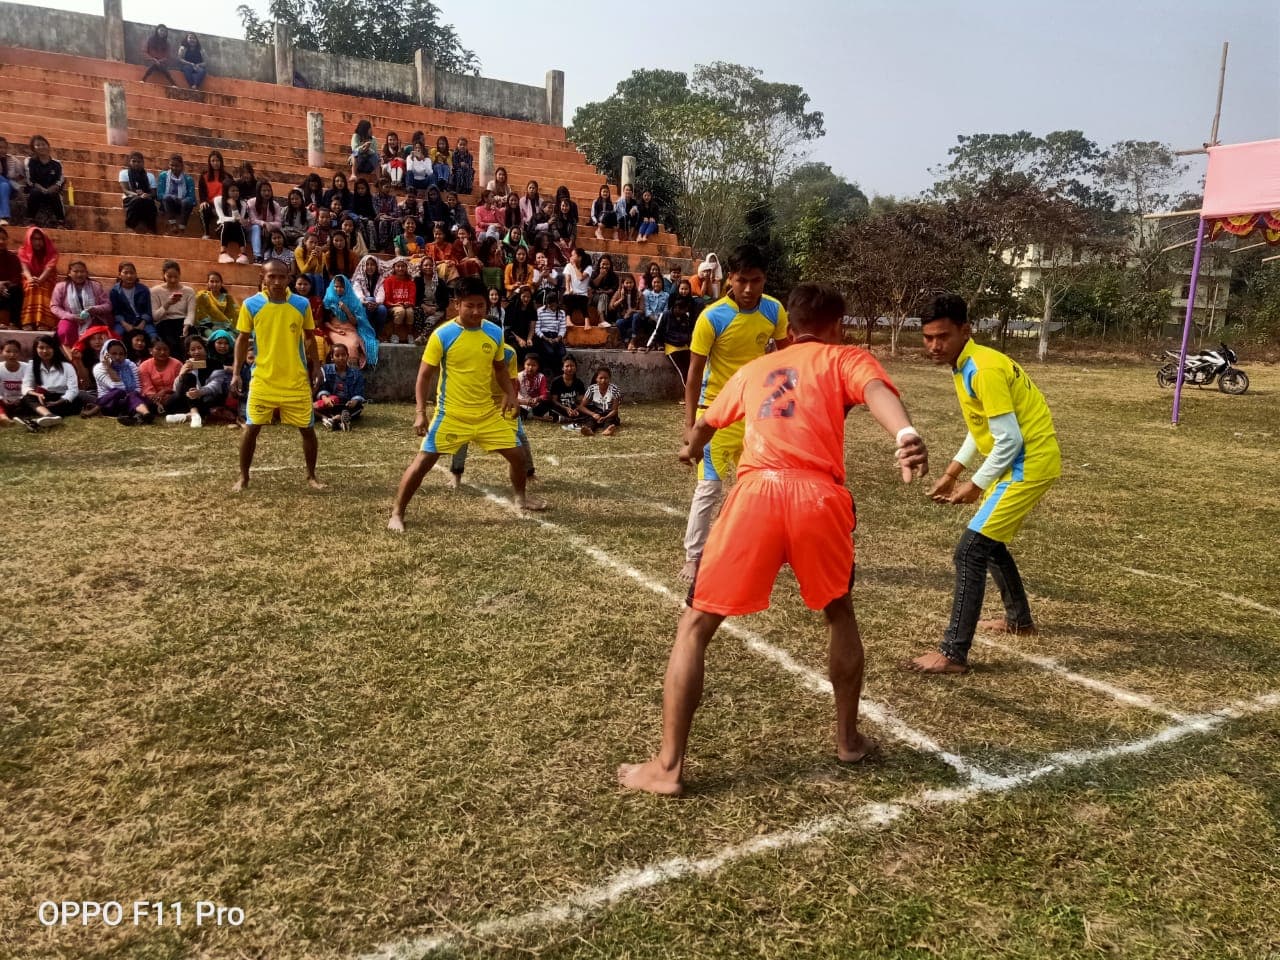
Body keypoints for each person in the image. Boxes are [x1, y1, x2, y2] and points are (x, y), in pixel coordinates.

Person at [618, 282, 929, 796]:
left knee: (695, 626)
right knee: (839, 613)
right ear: (837, 326)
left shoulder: (753, 370)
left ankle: (668, 767)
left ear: (788, 328)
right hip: (818, 498)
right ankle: (848, 740)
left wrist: (690, 449)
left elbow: (704, 425)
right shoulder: (844, 357)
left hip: (756, 495)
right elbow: (878, 393)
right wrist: (904, 435)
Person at [905, 294, 1062, 675]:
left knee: (970, 552)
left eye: (941, 336)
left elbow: (1009, 439)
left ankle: (953, 653)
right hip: (1015, 464)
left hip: (1026, 466)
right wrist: (952, 472)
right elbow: (984, 428)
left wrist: (976, 484)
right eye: (927, 338)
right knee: (989, 547)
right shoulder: (967, 364)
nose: (934, 346)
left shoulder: (983, 369)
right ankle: (1019, 621)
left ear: (965, 330)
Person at [387, 275, 546, 531]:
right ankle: (397, 512)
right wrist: (420, 412)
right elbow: (424, 375)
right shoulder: (443, 334)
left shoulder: (494, 333)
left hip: (486, 414)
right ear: (456, 304)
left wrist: (511, 396)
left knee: (518, 457)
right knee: (422, 463)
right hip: (451, 414)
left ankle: (521, 498)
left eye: (480, 306)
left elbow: (500, 370)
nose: (475, 311)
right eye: (469, 305)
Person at [679, 244, 788, 583]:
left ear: (764, 279)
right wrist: (689, 425)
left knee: (760, 487)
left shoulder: (774, 311)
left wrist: (784, 410)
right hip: (715, 416)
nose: (748, 289)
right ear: (731, 279)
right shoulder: (712, 317)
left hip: (757, 416)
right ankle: (694, 558)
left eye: (756, 281)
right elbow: (694, 373)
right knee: (709, 488)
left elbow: (785, 363)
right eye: (742, 280)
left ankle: (759, 550)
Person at [231, 258, 323, 491]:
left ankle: (311, 476)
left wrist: (316, 366)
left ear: (288, 278)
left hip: (296, 380)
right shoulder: (251, 305)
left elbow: (310, 337)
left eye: (282, 276)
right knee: (252, 428)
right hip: (263, 379)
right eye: (272, 276)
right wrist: (236, 373)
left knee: (308, 429)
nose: (277, 281)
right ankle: (243, 477)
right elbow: (242, 340)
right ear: (262, 277)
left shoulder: (301, 304)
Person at [447, 339, 537, 486]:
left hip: (503, 399)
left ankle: (529, 473)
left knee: (519, 437)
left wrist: (502, 409)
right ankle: (456, 474)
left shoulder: (509, 352)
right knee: (462, 437)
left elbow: (511, 383)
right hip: (476, 401)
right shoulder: (471, 349)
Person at [20, 334, 80, 426]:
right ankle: (49, 415)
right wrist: (38, 394)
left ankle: (43, 416)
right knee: (27, 398)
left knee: (76, 401)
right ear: (36, 349)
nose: (45, 351)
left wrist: (58, 402)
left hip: (62, 399)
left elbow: (73, 390)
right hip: (43, 398)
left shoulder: (67, 366)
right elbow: (26, 386)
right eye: (41, 348)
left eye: (48, 347)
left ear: (54, 349)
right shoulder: (32, 365)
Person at [322, 274, 378, 368]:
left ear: (346, 287)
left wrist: (346, 310)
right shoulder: (328, 300)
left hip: (349, 328)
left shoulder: (353, 301)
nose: (338, 289)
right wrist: (336, 330)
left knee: (352, 345)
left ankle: (352, 374)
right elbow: (325, 321)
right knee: (339, 345)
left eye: (341, 287)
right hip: (333, 329)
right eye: (336, 286)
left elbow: (355, 322)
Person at [649, 279, 699, 383]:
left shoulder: (686, 316)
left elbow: (690, 331)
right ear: (674, 306)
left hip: (685, 346)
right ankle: (688, 397)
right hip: (672, 347)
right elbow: (657, 331)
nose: (682, 312)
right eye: (679, 308)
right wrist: (649, 345)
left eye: (684, 309)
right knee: (684, 371)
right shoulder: (666, 315)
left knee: (693, 370)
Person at [93, 338, 153, 424]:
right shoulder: (99, 368)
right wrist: (109, 368)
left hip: (129, 400)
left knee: (135, 395)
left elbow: (138, 387)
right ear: (106, 354)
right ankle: (136, 415)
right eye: (114, 354)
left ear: (125, 355)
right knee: (119, 392)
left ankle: (146, 415)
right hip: (109, 403)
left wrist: (132, 395)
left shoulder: (130, 365)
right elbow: (119, 389)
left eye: (121, 354)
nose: (118, 357)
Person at [51, 261, 111, 347]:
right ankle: (72, 355)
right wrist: (71, 317)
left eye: (82, 271)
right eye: (76, 271)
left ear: (86, 273)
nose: (79, 274)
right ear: (69, 273)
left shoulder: (95, 286)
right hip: (70, 319)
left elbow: (108, 305)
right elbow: (55, 307)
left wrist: (95, 309)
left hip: (93, 318)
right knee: (64, 331)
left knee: (95, 335)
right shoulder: (61, 287)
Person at [313, 342, 365, 431]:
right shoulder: (326, 369)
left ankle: (336, 419)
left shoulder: (356, 374)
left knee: (358, 408)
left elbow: (359, 392)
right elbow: (322, 387)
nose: (341, 358)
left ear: (347, 356)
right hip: (331, 404)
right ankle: (332, 419)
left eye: (343, 355)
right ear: (332, 358)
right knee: (311, 408)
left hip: (347, 405)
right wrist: (325, 398)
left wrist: (354, 401)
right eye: (337, 355)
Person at [150, 260, 196, 355]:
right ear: (163, 275)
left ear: (180, 275)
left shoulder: (189, 291)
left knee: (190, 341)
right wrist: (167, 304)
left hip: (183, 322)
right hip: (165, 323)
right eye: (169, 276)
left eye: (176, 276)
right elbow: (155, 317)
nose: (173, 280)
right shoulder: (155, 291)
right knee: (172, 344)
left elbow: (191, 313)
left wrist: (187, 325)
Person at [18, 226, 58, 331]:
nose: (37, 242)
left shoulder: (52, 252)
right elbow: (24, 268)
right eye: (34, 239)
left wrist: (40, 280)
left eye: (40, 239)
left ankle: (44, 322)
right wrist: (31, 279)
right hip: (29, 278)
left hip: (47, 278)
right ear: (29, 240)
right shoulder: (22, 251)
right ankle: (28, 321)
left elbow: (48, 270)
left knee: (43, 287)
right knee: (30, 287)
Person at [24, 136, 65, 227]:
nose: (41, 147)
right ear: (33, 148)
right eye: (38, 145)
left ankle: (61, 222)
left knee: (55, 194)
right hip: (36, 190)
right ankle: (30, 220)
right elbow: (30, 180)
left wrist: (53, 187)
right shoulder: (29, 161)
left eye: (43, 144)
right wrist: (41, 189)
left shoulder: (56, 163)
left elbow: (61, 179)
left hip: (51, 190)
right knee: (35, 193)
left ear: (48, 146)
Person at [137, 336, 181, 411]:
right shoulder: (144, 366)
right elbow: (147, 388)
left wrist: (165, 391)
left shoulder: (177, 364)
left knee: (177, 398)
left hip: (173, 396)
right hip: (153, 398)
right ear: (150, 351)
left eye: (165, 349)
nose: (162, 352)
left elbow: (180, 385)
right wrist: (156, 399)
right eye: (158, 349)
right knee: (143, 400)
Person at [118, 152, 158, 233]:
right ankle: (129, 226)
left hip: (146, 199)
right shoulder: (124, 173)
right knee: (138, 200)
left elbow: (154, 193)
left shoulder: (150, 176)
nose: (136, 163)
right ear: (130, 162)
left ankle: (151, 229)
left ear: (143, 163)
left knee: (151, 205)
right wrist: (138, 195)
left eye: (139, 162)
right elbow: (125, 191)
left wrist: (147, 195)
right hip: (130, 199)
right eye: (134, 161)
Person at [196, 151, 232, 240]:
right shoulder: (204, 176)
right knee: (203, 208)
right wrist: (203, 201)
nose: (215, 163)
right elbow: (202, 192)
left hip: (223, 204)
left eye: (217, 160)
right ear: (209, 162)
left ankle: (222, 231)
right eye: (213, 161)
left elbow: (231, 192)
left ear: (221, 162)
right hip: (210, 204)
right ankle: (206, 233)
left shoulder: (228, 176)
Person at [577, 365, 621, 436]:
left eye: (606, 378)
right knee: (591, 420)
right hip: (596, 414)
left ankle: (607, 430)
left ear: (609, 379)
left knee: (610, 420)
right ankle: (589, 430)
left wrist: (605, 417)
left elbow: (614, 410)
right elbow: (581, 407)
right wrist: (593, 414)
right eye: (601, 378)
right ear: (596, 379)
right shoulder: (592, 389)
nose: (603, 380)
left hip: (609, 414)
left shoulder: (615, 390)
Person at [157, 154, 195, 234]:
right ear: (169, 165)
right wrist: (171, 196)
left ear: (182, 166)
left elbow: (192, 199)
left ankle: (182, 227)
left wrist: (183, 200)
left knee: (187, 202)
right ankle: (172, 224)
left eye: (177, 166)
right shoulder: (163, 176)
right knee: (167, 198)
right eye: (172, 165)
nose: (174, 168)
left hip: (182, 206)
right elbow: (159, 194)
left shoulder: (188, 179)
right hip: (167, 205)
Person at [382, 256, 417, 344]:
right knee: (400, 311)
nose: (400, 268)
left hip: (407, 306)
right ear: (394, 268)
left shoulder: (410, 282)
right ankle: (394, 334)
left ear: (406, 268)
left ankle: (410, 334)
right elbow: (386, 299)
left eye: (403, 266)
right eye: (398, 266)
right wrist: (395, 304)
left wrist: (408, 303)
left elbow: (412, 298)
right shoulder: (388, 281)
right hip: (392, 306)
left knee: (410, 312)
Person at [532, 290, 567, 373]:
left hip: (555, 336)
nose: (552, 306)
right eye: (550, 304)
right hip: (544, 336)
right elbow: (537, 329)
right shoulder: (540, 311)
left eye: (554, 304)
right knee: (549, 352)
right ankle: (547, 370)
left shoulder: (561, 313)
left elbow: (562, 328)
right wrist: (546, 339)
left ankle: (557, 371)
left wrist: (558, 338)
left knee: (562, 352)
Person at [213, 182, 249, 264]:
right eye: (232, 191)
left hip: (237, 231)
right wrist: (233, 207)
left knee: (237, 225)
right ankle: (223, 253)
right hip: (223, 230)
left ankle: (243, 254)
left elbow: (241, 222)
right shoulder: (218, 200)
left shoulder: (243, 204)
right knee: (227, 223)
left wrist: (234, 207)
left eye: (237, 191)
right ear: (226, 192)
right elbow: (222, 218)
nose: (236, 193)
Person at [246, 183, 283, 262]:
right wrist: (264, 224)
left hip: (268, 232)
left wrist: (268, 225)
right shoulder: (251, 202)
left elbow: (279, 223)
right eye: (264, 190)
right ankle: (257, 256)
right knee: (256, 227)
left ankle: (267, 256)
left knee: (275, 232)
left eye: (269, 190)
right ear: (259, 191)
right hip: (251, 232)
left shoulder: (275, 205)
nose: (267, 193)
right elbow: (252, 220)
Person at [194, 271, 238, 335]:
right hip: (207, 326)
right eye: (212, 281)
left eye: (217, 282)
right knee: (214, 336)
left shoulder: (227, 298)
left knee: (230, 336)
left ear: (221, 283)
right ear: (208, 283)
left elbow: (234, 313)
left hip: (225, 326)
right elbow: (197, 310)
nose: (214, 284)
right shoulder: (203, 296)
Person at [0, 136, 27, 226]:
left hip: (12, 190)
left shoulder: (13, 160)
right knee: (4, 185)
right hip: (5, 186)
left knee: (5, 184)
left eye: (4, 147)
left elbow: (23, 175)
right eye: (0, 147)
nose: (2, 150)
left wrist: (15, 180)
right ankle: (4, 217)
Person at [561, 248, 593, 326]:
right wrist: (568, 290)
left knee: (582, 299)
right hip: (572, 292)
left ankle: (587, 321)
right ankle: (568, 320)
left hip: (582, 294)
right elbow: (567, 280)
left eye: (573, 255)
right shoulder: (568, 266)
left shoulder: (588, 268)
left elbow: (581, 278)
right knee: (568, 297)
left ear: (579, 257)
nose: (571, 257)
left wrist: (574, 266)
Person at [0, 338, 28, 426]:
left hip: (22, 401)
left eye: (15, 352)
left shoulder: (27, 367)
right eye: (8, 351)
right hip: (4, 400)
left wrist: (21, 399)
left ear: (19, 353)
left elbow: (31, 387)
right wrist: (2, 399)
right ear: (1, 352)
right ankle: (4, 418)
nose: (12, 355)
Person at [0, 226, 20, 326]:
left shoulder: (13, 258)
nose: (1, 241)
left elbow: (16, 278)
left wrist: (4, 284)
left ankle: (13, 322)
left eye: (4, 239)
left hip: (7, 289)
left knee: (16, 290)